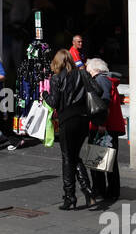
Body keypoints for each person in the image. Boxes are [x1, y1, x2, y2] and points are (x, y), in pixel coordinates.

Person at [49, 49, 96, 210]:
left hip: (67, 120)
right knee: (74, 156)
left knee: (68, 158)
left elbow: (54, 102)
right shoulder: (83, 74)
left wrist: (44, 96)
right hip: (83, 119)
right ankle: (88, 191)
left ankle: (70, 197)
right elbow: (98, 90)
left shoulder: (56, 78)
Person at [85, 58, 123, 202]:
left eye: (88, 68)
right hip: (110, 126)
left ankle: (101, 191)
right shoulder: (107, 79)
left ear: (94, 68)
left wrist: (101, 123)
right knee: (108, 160)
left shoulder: (101, 80)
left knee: (97, 160)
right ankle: (111, 191)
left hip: (103, 127)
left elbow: (104, 101)